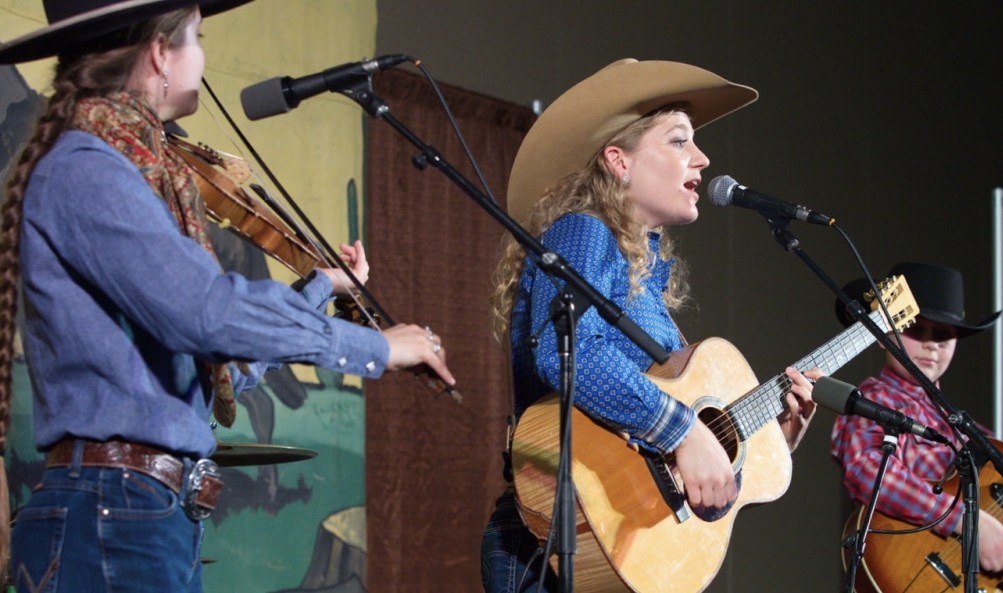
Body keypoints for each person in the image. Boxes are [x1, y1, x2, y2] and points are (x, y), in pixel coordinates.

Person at [0, 2, 455, 591]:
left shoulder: (122, 168)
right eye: (199, 38)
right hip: (112, 509)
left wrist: (323, 288)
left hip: (141, 510)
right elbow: (204, 313)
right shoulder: (88, 169)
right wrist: (373, 346)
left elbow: (213, 371)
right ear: (161, 53)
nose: (205, 57)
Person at [480, 58, 821, 593]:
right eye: (680, 141)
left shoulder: (647, 291)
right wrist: (684, 430)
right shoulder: (583, 233)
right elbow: (566, 352)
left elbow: (664, 479)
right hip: (551, 543)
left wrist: (765, 439)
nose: (703, 159)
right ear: (619, 160)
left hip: (622, 546)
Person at [829, 262, 1003, 574]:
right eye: (915, 328)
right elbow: (868, 472)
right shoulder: (872, 399)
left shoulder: (970, 431)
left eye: (943, 336)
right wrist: (964, 519)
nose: (931, 345)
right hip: (904, 569)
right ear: (881, 336)